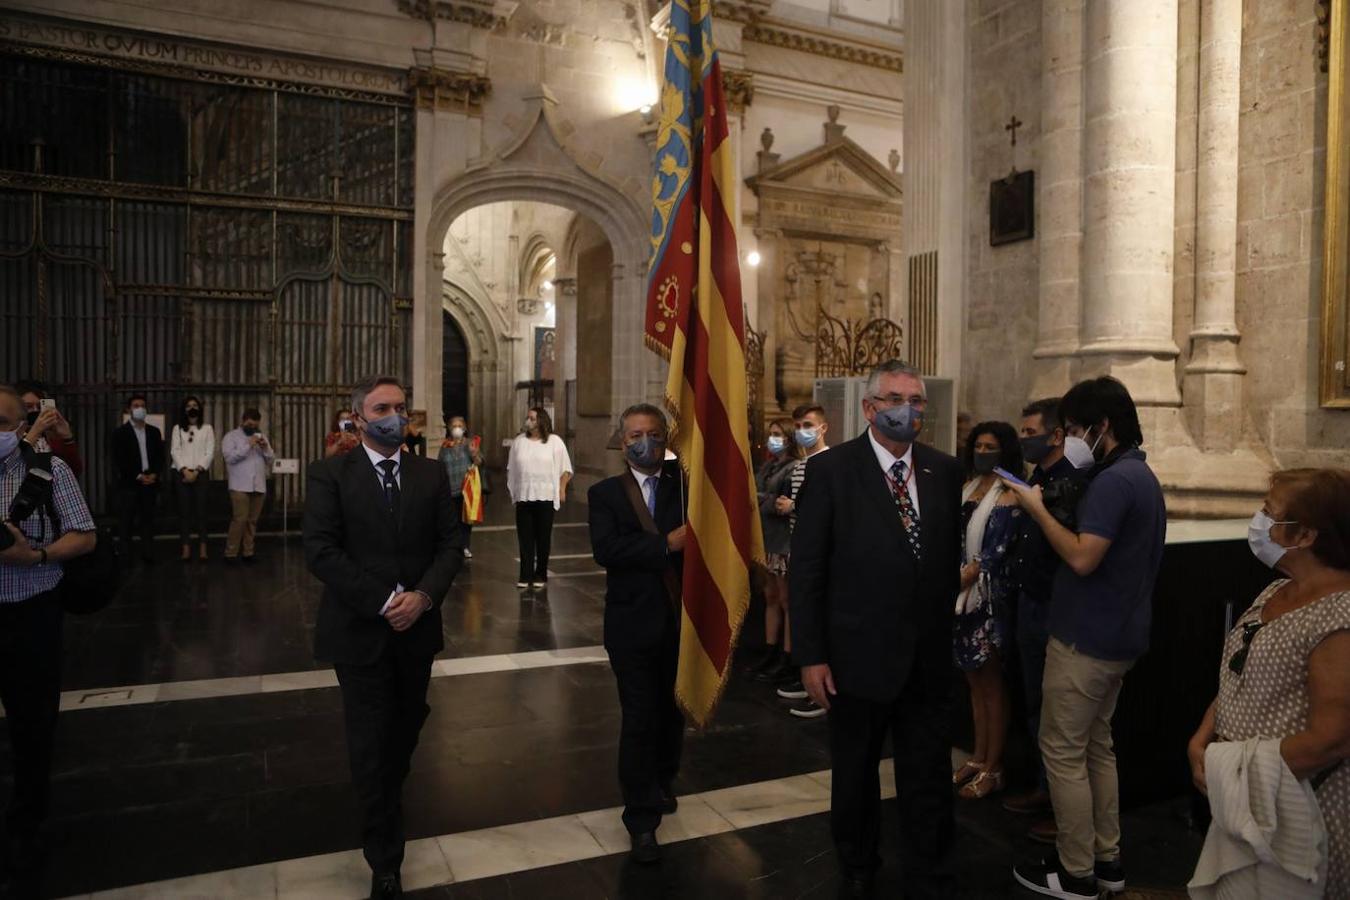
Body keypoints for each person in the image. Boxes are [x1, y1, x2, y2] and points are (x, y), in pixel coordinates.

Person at [790, 359, 964, 899]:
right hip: (856, 655)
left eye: (915, 401)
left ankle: (930, 867)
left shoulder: (943, 470)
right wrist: (812, 655)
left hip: (928, 658)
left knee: (928, 772)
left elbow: (940, 561)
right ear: (869, 408)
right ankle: (858, 861)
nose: (907, 410)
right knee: (856, 772)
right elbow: (809, 569)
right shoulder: (831, 472)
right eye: (894, 400)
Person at [1002, 376, 1166, 900]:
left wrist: (1036, 508)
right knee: (1097, 748)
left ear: (1102, 428)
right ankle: (1107, 858)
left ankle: (1076, 873)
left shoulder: (1115, 482)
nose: (1069, 438)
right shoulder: (1138, 474)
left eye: (1074, 428)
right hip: (1118, 634)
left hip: (1086, 639)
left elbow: (1081, 555)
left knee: (1063, 752)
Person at [302, 374, 464, 900]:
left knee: (407, 723)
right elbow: (321, 550)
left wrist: (422, 597)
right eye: (383, 407)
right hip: (359, 630)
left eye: (401, 406)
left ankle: (384, 791)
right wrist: (382, 600)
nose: (395, 415)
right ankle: (385, 857)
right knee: (370, 740)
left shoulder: (431, 473)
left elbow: (449, 543)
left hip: (417, 628)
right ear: (358, 417)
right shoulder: (330, 474)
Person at [1187, 468, 1350, 898]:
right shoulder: (1276, 590)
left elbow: (1331, 740)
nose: (1258, 520)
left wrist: (1236, 771)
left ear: (1306, 535)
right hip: (1248, 798)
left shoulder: (1340, 618)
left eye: (1268, 512)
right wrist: (1205, 739)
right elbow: (1240, 675)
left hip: (1299, 802)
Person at [0, 384, 96, 896]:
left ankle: (26, 824)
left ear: (20, 426)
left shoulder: (47, 470)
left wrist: (33, 557)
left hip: (30, 610)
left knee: (32, 724)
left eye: (1, 421)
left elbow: (84, 534)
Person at [587, 403, 687, 865]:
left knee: (671, 713)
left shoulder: (685, 486)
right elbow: (608, 550)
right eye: (633, 435)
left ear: (665, 437)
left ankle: (663, 780)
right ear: (621, 441)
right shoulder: (606, 493)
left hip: (680, 619)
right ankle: (641, 817)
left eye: (651, 433)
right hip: (631, 624)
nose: (643, 441)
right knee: (640, 716)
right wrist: (664, 544)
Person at [1003, 398, 1084, 839]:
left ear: (1056, 436)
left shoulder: (1071, 482)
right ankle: (1042, 785)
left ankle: (1063, 804)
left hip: (1054, 606)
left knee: (1057, 713)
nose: (1024, 440)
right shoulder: (1040, 477)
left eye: (1031, 432)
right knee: (1034, 701)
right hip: (1030, 599)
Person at [951, 421, 1024, 801]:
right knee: (973, 682)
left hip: (989, 598)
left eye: (990, 446)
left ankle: (995, 767)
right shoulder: (968, 485)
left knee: (992, 684)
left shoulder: (1012, 490)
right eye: (977, 445)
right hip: (961, 595)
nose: (982, 451)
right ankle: (978, 757)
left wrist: (969, 573)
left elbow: (999, 548)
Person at [775, 404, 832, 717]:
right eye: (798, 425)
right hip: (798, 548)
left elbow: (823, 510)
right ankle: (805, 678)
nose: (802, 431)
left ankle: (823, 691)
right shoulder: (800, 465)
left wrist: (793, 506)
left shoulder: (830, 463)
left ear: (823, 428)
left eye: (808, 424)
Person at [748, 418, 801, 684]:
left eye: (778, 434)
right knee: (770, 597)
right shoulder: (769, 465)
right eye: (771, 434)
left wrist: (761, 500)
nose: (773, 438)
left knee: (786, 600)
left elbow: (781, 505)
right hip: (766, 539)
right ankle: (770, 650)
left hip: (783, 541)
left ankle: (788, 655)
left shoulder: (793, 468)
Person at [506, 407, 573, 590]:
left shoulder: (554, 442)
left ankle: (540, 573)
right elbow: (511, 468)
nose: (529, 421)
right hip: (524, 496)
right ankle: (525, 574)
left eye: (533, 418)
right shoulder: (519, 442)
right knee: (525, 538)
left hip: (545, 496)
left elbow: (565, 468)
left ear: (542, 421)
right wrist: (514, 492)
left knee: (543, 537)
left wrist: (562, 488)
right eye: (528, 418)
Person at [110, 394, 164, 563]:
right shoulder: (120, 433)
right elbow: (118, 459)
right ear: (129, 409)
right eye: (135, 405)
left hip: (150, 483)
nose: (139, 408)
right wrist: (138, 476)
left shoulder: (154, 432)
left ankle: (148, 554)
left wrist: (154, 474)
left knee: (148, 520)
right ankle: (126, 557)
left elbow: (160, 456)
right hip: (129, 484)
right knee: (126, 522)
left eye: (142, 405)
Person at [220, 409, 273, 564]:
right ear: (243, 420)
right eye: (249, 424)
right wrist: (248, 445)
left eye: (255, 424)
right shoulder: (231, 437)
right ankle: (230, 554)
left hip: (259, 486)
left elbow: (270, 459)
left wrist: (264, 447)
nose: (252, 427)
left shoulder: (261, 436)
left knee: (252, 521)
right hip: (239, 485)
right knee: (239, 520)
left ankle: (248, 553)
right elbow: (229, 458)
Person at [170, 395, 215, 562]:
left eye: (194, 405)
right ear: (184, 409)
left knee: (202, 512)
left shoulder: (207, 428)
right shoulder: (177, 429)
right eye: (188, 405)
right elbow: (175, 451)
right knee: (184, 512)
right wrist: (184, 470)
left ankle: (203, 548)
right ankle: (186, 548)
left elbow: (210, 452)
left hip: (200, 473)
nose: (191, 408)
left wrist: (196, 472)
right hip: (181, 473)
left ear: (199, 408)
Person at [437, 415, 482, 560]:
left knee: (465, 521)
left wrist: (475, 454)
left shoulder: (469, 443)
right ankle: (453, 546)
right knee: (452, 520)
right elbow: (440, 465)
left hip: (466, 489)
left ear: (464, 428)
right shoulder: (445, 446)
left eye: (459, 426)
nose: (457, 429)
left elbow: (480, 461)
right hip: (450, 489)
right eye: (454, 426)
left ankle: (465, 546)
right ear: (449, 429)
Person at [16, 382, 82, 478]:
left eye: (39, 407)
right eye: (28, 406)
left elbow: (74, 471)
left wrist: (67, 438)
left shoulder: (49, 438)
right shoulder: (7, 437)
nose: (35, 410)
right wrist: (35, 431)